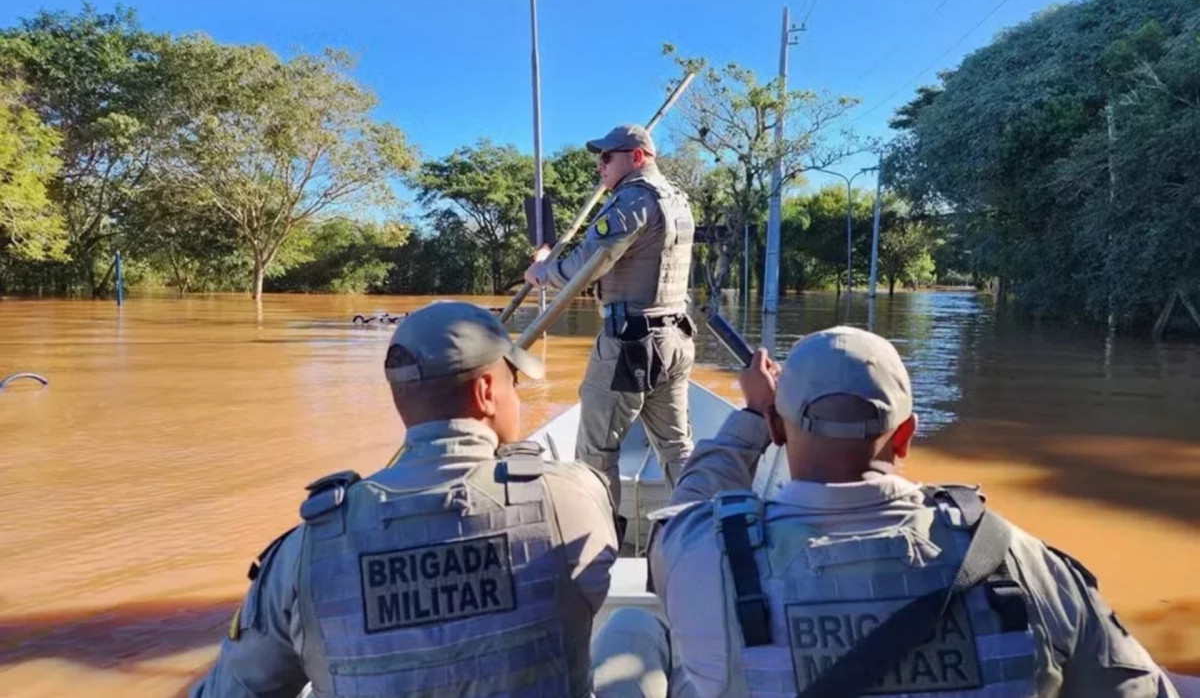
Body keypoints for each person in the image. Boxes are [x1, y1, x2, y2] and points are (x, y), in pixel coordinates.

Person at [591, 326, 1182, 698]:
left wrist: (751, 418)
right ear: (907, 436)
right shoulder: (1019, 558)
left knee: (634, 630)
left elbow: (691, 500)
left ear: (776, 428)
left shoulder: (705, 554)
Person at [189, 301, 619, 698]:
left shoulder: (304, 549)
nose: (517, 397)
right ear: (486, 392)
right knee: (633, 628)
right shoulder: (569, 497)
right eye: (515, 383)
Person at [524, 123, 696, 535]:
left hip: (629, 344)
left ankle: (600, 538)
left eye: (607, 157)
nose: (600, 166)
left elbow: (587, 267)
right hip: (674, 338)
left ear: (637, 157)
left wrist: (544, 270)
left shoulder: (633, 201)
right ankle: (700, 527)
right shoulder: (677, 200)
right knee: (676, 447)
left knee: (596, 451)